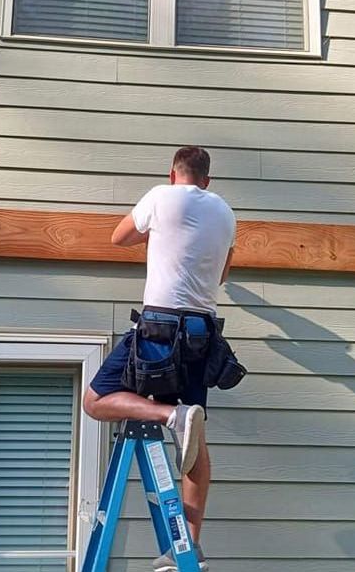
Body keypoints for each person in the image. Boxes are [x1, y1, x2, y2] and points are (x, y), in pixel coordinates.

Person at [83, 146, 236, 571]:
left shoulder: (159, 196)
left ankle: (170, 415)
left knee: (95, 400)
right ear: (207, 179)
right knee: (195, 439)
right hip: (202, 332)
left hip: (159, 327)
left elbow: (118, 237)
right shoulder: (226, 213)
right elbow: (223, 273)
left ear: (173, 174)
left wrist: (157, 233)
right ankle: (190, 544)